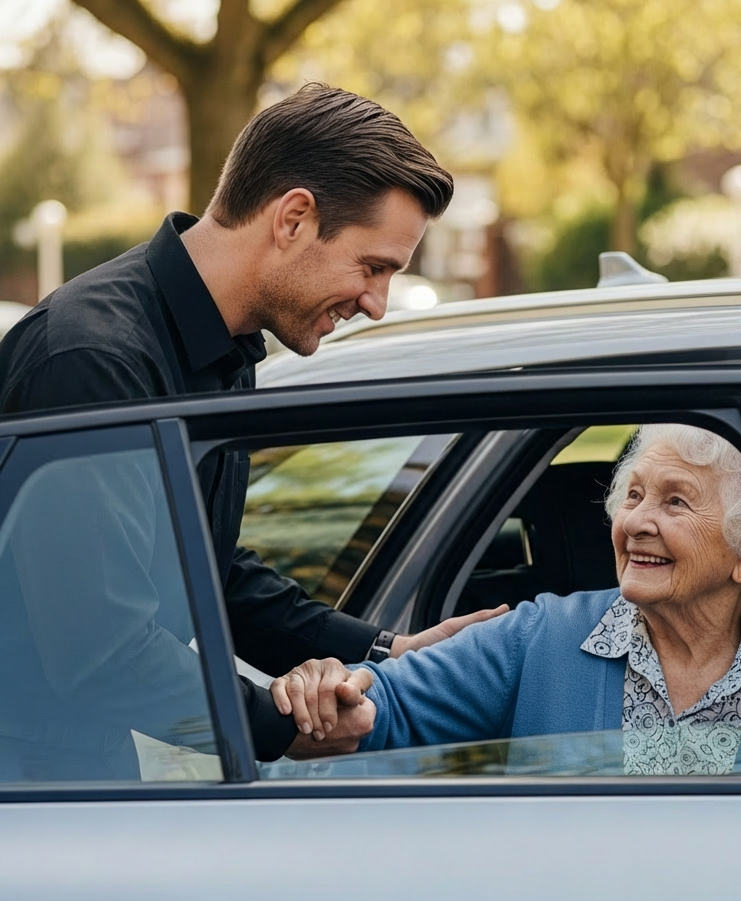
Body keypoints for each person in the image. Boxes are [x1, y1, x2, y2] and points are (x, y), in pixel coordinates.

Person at [0, 85, 504, 763]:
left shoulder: (222, 347)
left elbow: (204, 566)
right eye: (372, 266)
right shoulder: (95, 361)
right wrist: (278, 726)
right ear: (293, 218)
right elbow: (101, 647)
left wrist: (387, 651)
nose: (377, 303)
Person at [272, 424, 741, 774]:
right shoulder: (543, 636)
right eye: (633, 495)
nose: (634, 522)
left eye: (675, 502)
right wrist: (335, 692)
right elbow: (389, 704)